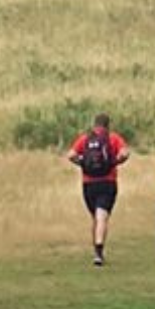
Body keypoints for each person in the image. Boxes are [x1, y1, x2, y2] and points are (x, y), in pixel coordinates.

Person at [64, 114, 128, 266]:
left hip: (88, 184)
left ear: (94, 125)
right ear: (108, 125)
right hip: (107, 182)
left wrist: (82, 163)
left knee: (96, 217)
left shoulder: (85, 139)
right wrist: (115, 162)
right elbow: (125, 153)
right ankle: (99, 252)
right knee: (102, 217)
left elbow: (71, 155)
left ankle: (96, 250)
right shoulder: (113, 138)